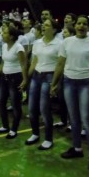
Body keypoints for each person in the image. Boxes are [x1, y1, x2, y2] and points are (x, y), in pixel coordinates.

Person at [51, 15, 89, 171]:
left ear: (88, 27)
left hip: (87, 84)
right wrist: (54, 83)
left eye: (85, 24)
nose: (81, 26)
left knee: (87, 119)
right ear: (74, 25)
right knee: (74, 118)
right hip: (69, 82)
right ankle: (77, 149)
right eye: (79, 23)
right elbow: (60, 64)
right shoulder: (66, 42)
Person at [25, 18, 62, 150]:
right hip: (36, 75)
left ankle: (48, 138)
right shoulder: (37, 43)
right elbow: (34, 61)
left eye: (47, 25)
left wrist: (56, 83)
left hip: (49, 77)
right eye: (43, 25)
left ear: (54, 29)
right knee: (31, 108)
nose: (43, 27)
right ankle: (35, 133)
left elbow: (60, 65)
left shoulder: (59, 44)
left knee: (44, 109)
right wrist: (26, 78)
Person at [0, 25, 27, 139]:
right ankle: (5, 125)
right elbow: (3, 63)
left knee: (15, 105)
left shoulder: (19, 48)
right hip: (4, 77)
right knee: (0, 102)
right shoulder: (4, 46)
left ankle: (14, 129)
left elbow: (23, 64)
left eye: (5, 33)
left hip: (15, 78)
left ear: (11, 36)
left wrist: (25, 79)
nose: (2, 34)